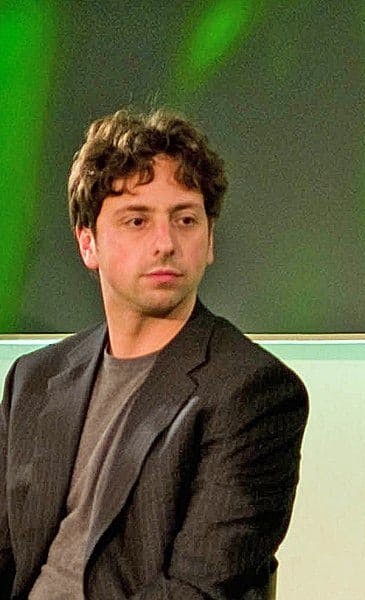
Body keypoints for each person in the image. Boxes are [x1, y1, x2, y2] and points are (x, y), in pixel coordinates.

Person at [0, 109, 308, 599]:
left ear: (209, 241)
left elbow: (199, 588)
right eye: (137, 220)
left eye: (186, 219)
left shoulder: (253, 391)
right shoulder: (33, 380)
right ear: (88, 244)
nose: (165, 243)